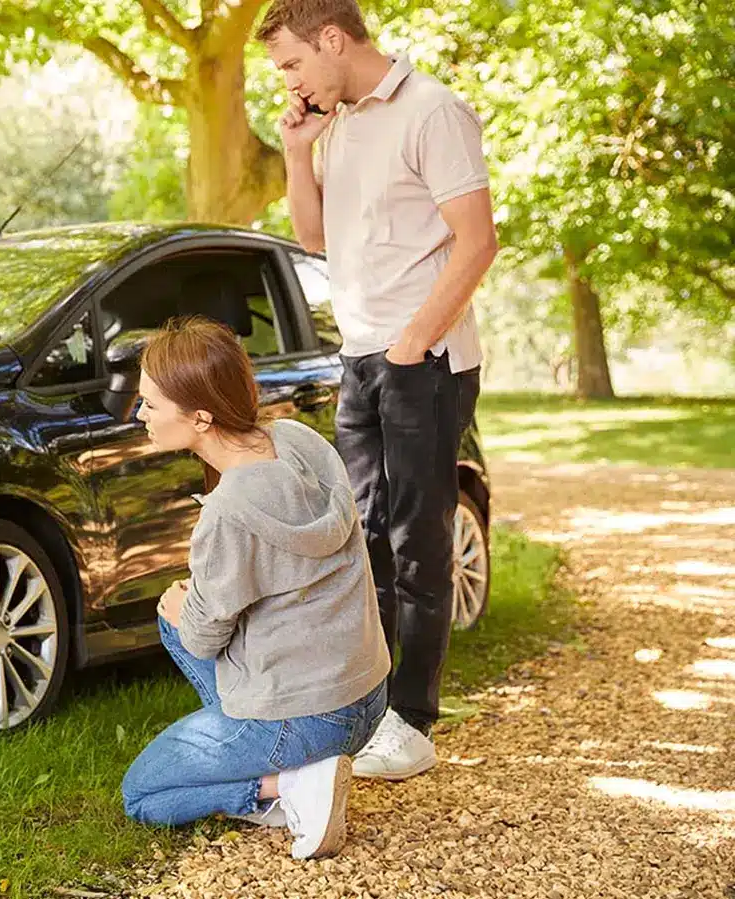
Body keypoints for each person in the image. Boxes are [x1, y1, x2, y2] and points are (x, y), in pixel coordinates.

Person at [259, 0, 498, 780]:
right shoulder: (343, 123)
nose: (289, 81)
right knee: (364, 536)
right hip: (360, 357)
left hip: (422, 360)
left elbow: (477, 241)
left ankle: (415, 722)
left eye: (293, 63)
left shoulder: (433, 110)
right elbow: (315, 238)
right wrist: (298, 152)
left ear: (333, 39)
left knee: (417, 538)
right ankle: (374, 705)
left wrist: (409, 343)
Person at [119, 316, 389, 861]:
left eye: (149, 403)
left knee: (142, 793)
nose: (139, 413)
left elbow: (200, 639)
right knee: (179, 615)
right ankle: (283, 764)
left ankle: (289, 786)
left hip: (310, 720)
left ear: (199, 415)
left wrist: (184, 606)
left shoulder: (226, 514)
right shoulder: (300, 441)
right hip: (368, 694)